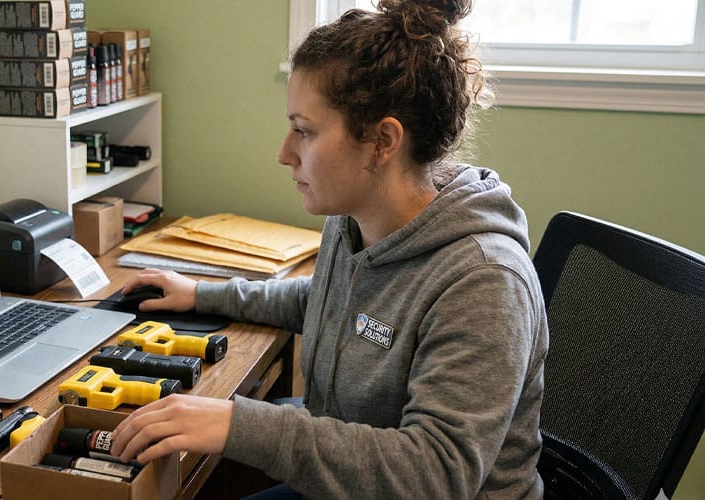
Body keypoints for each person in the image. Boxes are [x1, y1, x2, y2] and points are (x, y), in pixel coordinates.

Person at [109, 0, 549, 497]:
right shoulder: (358, 219)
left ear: (383, 141)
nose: (284, 153)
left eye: (304, 131)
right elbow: (326, 302)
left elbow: (435, 473)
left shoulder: (483, 281)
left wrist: (237, 423)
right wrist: (202, 294)